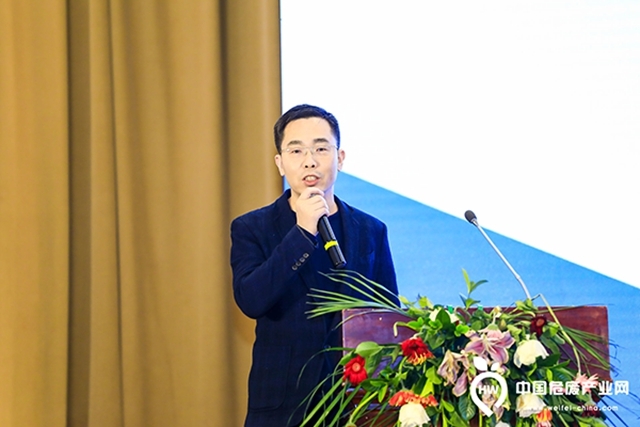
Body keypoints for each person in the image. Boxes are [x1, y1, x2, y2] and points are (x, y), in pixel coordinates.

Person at [230, 104, 398, 427]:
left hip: (356, 404)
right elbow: (251, 299)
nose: (310, 160)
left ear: (340, 158)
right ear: (280, 163)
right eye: (296, 151)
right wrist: (303, 233)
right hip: (282, 407)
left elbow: (388, 319)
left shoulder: (371, 231)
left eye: (321, 148)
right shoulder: (252, 228)